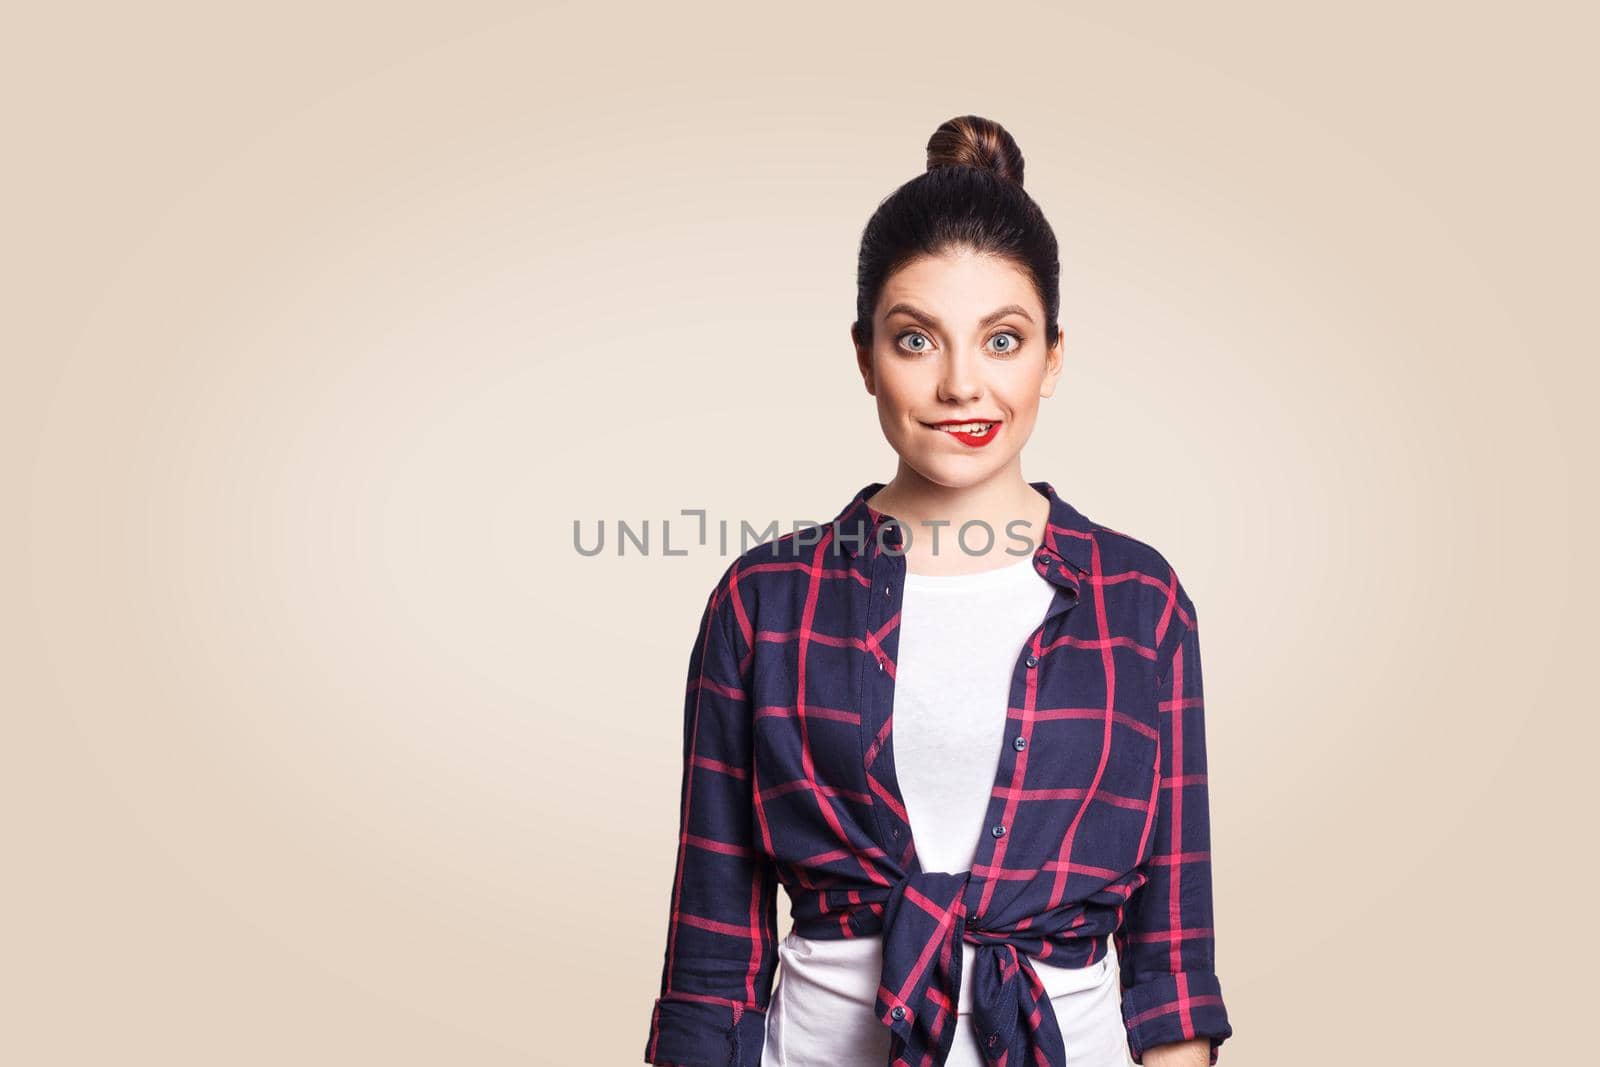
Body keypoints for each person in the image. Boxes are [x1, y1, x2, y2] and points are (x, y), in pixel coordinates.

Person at [642, 115, 1234, 1067]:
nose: (964, 384)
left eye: (1002, 339)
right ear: (864, 354)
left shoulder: (1142, 601)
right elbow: (714, 955)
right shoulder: (764, 602)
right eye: (917, 340)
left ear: (1052, 356)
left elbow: (1170, 961)